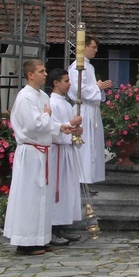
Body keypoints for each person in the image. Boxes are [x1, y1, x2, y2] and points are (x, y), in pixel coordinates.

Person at [3, 60, 80, 255]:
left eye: (45, 71)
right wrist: (47, 118)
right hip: (30, 152)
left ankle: (40, 238)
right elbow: (33, 125)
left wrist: (60, 126)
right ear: (30, 75)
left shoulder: (43, 95)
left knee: (42, 197)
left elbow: (47, 124)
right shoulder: (24, 97)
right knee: (29, 197)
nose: (45, 74)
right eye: (41, 71)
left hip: (43, 151)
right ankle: (25, 242)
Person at [68, 34, 112, 189]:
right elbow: (79, 90)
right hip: (83, 110)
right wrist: (97, 88)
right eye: (93, 47)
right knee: (84, 146)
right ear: (84, 47)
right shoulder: (77, 67)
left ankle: (89, 179)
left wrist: (98, 87)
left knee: (93, 146)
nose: (96, 50)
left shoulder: (90, 66)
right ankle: (80, 180)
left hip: (92, 110)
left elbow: (90, 88)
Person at [47, 68, 84, 246]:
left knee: (67, 190)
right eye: (66, 81)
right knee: (57, 191)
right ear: (56, 83)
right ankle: (52, 229)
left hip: (67, 151)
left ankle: (62, 226)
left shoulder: (66, 103)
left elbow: (70, 128)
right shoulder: (51, 103)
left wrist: (77, 131)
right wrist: (71, 126)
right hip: (57, 152)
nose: (70, 84)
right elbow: (53, 129)